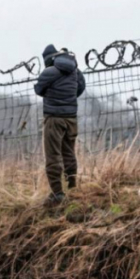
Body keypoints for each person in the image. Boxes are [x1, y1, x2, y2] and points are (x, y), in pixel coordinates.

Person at [34, 45, 86, 205]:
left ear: (49, 59)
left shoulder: (49, 72)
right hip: (71, 118)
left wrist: (54, 96)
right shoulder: (75, 71)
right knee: (69, 153)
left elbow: (38, 89)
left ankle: (57, 194)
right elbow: (80, 87)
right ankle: (72, 187)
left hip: (53, 118)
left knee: (53, 155)